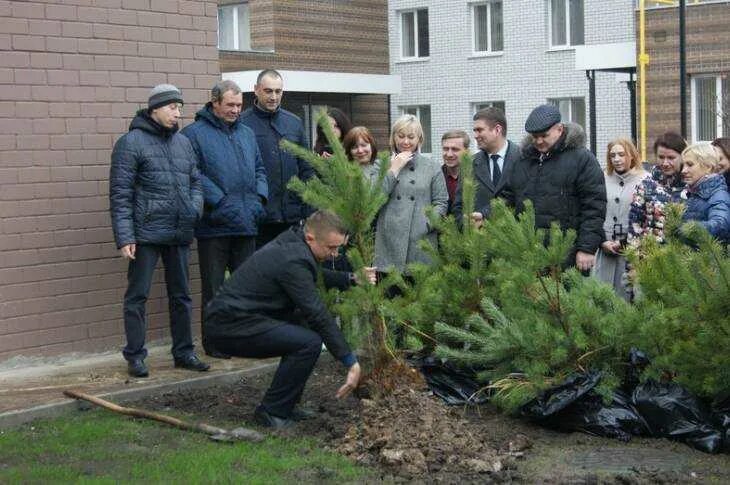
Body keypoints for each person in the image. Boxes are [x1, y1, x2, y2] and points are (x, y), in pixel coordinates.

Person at [203, 211, 375, 429]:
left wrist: (350, 278)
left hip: (241, 318)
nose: (335, 254)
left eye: (339, 247)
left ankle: (288, 404)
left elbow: (311, 275)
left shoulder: (294, 242)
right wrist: (349, 361)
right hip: (229, 326)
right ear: (311, 237)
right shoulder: (293, 258)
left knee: (302, 330)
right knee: (308, 342)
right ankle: (272, 412)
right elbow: (317, 313)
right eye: (331, 247)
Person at [109, 84, 209, 377]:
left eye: (179, 107)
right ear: (154, 109)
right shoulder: (131, 143)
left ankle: (184, 353)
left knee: (182, 296)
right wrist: (125, 236)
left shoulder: (183, 143)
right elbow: (120, 193)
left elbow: (195, 182)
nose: (178, 113)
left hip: (179, 231)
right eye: (172, 107)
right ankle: (136, 356)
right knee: (137, 296)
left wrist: (194, 209)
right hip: (145, 233)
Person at [181, 80, 268, 359]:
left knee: (245, 288)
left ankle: (242, 339)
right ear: (215, 102)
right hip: (214, 226)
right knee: (215, 289)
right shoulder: (193, 134)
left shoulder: (247, 133)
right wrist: (219, 201)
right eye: (230, 105)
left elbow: (259, 169)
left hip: (246, 222)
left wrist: (260, 200)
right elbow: (193, 173)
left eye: (239, 105)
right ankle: (215, 343)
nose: (235, 110)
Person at [503, 104, 607, 271]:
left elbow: (594, 206)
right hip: (527, 254)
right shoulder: (522, 160)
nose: (538, 141)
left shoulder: (582, 159)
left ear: (559, 129)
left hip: (567, 254)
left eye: (544, 135)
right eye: (534, 136)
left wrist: (586, 248)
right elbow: (507, 198)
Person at [240, 69, 313, 248]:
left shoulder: (294, 123)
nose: (273, 97)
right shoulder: (242, 123)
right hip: (259, 218)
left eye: (278, 91)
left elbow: (307, 167)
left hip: (292, 217)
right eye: (268, 91)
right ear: (256, 89)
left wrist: (307, 207)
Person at [373, 115, 449, 273]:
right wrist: (394, 169)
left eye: (411, 137)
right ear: (393, 137)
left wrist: (426, 224)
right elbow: (374, 199)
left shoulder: (432, 167)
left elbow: (441, 202)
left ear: (419, 139)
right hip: (388, 243)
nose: (405, 142)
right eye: (400, 136)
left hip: (420, 242)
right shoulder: (381, 164)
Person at [591, 139, 648, 299]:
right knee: (602, 298)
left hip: (632, 250)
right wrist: (601, 241)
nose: (616, 159)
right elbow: (594, 212)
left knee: (628, 298)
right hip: (605, 246)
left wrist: (627, 242)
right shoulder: (601, 178)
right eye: (613, 155)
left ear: (632, 155)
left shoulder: (645, 180)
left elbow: (647, 218)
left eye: (621, 154)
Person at [452, 107, 520, 226]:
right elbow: (459, 205)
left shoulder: (523, 158)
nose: (475, 135)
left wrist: (486, 215)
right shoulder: (469, 164)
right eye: (474, 131)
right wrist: (467, 225)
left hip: (515, 240)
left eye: (479, 130)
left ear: (497, 130)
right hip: (479, 241)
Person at [628, 132, 688, 246]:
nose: (665, 163)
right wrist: (633, 261)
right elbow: (635, 226)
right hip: (652, 257)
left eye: (671, 158)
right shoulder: (646, 186)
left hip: (685, 258)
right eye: (661, 157)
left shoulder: (692, 186)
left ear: (682, 157)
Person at [680, 143, 730, 243]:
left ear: (708, 167)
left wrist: (688, 228)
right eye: (683, 165)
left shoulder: (718, 195)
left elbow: (721, 224)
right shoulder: (690, 193)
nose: (683, 171)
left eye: (690, 165)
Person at [439, 129, 470, 215]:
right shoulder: (435, 176)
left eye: (455, 149)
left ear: (467, 152)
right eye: (445, 149)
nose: (449, 154)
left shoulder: (475, 176)